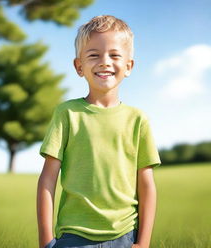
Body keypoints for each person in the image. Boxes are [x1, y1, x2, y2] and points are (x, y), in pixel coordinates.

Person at [37, 15, 161, 248]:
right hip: (73, 236)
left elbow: (146, 186)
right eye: (94, 55)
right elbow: (47, 179)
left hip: (125, 236)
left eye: (114, 55)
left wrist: (143, 243)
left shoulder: (138, 120)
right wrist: (45, 241)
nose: (105, 62)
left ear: (129, 66)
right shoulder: (67, 114)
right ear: (79, 66)